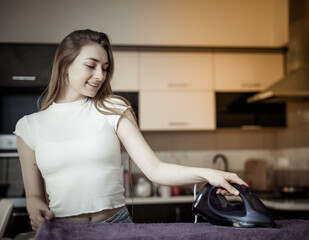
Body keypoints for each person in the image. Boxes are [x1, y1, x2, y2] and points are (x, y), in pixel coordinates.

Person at [14, 29, 247, 231]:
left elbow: (155, 169)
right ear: (65, 65)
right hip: (64, 230)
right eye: (91, 65)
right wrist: (36, 208)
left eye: (105, 68)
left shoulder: (113, 108)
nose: (100, 75)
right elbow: (34, 196)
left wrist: (209, 174)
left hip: (117, 226)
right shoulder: (28, 126)